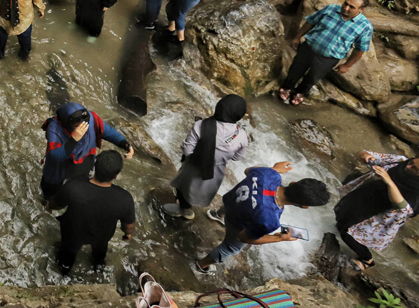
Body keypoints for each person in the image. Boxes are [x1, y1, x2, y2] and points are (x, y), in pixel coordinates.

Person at [195, 162, 331, 273]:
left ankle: (217, 215)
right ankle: (202, 264)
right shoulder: (270, 220)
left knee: (239, 204)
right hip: (236, 224)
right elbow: (244, 238)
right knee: (230, 248)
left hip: (231, 201)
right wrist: (279, 237)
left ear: (293, 183)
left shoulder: (269, 174)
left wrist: (274, 169)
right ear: (304, 206)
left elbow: (248, 170)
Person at [162, 95, 248, 220]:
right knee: (200, 190)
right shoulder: (242, 136)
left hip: (194, 166)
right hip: (216, 172)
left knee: (184, 186)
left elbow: (187, 150)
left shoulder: (201, 125)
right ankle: (188, 205)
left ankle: (184, 210)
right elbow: (237, 158)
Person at [49, 150, 136, 273]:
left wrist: (49, 207)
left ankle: (63, 271)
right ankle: (98, 267)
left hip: (73, 233)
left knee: (67, 255)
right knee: (100, 253)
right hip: (102, 235)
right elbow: (129, 226)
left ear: (94, 167)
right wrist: (128, 234)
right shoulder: (125, 198)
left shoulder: (74, 187)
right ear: (116, 175)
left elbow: (56, 204)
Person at [279, 0, 373, 106]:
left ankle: (300, 92)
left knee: (313, 77)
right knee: (295, 69)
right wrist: (297, 37)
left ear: (361, 9)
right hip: (308, 48)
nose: (346, 8)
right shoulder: (331, 9)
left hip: (329, 58)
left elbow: (360, 49)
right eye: (345, 3)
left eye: (351, 7)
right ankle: (287, 87)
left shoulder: (365, 27)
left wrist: (347, 65)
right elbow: (311, 22)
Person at [335, 151, 419, 271]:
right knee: (342, 215)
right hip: (366, 194)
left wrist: (389, 181)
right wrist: (366, 157)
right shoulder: (400, 160)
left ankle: (367, 259)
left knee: (348, 234)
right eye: (411, 162)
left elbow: (403, 208)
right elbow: (362, 153)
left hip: (379, 214)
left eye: (415, 169)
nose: (408, 166)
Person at [41, 102, 134, 200]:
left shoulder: (92, 119)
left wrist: (125, 144)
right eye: (77, 125)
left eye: (85, 123)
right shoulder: (55, 127)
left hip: (83, 160)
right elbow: (55, 155)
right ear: (66, 123)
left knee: (79, 188)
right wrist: (74, 139)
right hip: (59, 167)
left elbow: (108, 131)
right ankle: (47, 203)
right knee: (50, 190)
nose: (83, 127)